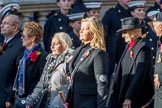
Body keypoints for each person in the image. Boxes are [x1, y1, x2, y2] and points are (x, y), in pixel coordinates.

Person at [109, 17, 154, 108]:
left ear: (134, 32)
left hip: (136, 100)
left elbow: (139, 75)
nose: (122, 35)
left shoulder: (143, 49)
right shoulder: (128, 47)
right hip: (124, 98)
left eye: (125, 32)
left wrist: (129, 97)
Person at [66, 16, 109, 108]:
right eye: (81, 28)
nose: (81, 31)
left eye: (85, 29)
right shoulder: (77, 51)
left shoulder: (98, 53)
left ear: (93, 33)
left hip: (88, 103)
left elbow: (101, 85)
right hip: (74, 101)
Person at [26, 32, 74, 108]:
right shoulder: (50, 60)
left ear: (65, 45)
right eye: (51, 44)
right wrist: (31, 100)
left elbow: (70, 86)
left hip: (60, 103)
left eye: (56, 44)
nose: (52, 46)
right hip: (46, 102)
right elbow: (42, 82)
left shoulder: (70, 60)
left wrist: (64, 102)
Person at [11, 21, 47, 108]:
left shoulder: (42, 56)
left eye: (23, 36)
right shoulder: (22, 54)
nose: (21, 38)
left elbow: (42, 81)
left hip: (31, 100)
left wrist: (32, 99)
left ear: (32, 38)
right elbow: (15, 76)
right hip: (19, 97)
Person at [102, 0, 132, 79]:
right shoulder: (111, 14)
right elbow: (104, 34)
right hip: (114, 51)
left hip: (129, 49)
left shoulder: (133, 12)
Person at [0, 14, 23, 107]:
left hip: (6, 97)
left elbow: (19, 73)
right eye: (2, 23)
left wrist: (11, 96)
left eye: (5, 23)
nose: (1, 26)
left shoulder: (20, 45)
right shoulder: (4, 43)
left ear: (15, 27)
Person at [150, 12, 162, 108]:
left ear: (161, 27)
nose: (153, 29)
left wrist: (160, 77)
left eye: (154, 26)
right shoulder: (160, 41)